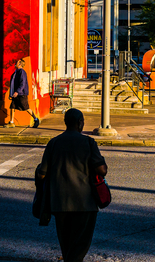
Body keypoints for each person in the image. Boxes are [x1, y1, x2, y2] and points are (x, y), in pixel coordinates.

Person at [36, 109, 107, 262]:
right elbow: (101, 170)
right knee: (80, 245)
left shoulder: (53, 143)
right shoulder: (88, 142)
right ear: (80, 122)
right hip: (85, 203)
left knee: (66, 244)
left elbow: (42, 173)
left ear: (65, 122)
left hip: (59, 203)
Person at [5, 58, 39, 128]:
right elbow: (13, 84)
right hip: (16, 93)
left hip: (21, 94)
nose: (15, 63)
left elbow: (22, 83)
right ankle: (11, 122)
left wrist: (17, 91)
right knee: (12, 107)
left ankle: (36, 119)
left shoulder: (22, 72)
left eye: (17, 62)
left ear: (20, 64)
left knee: (26, 107)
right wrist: (11, 94)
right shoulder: (16, 72)